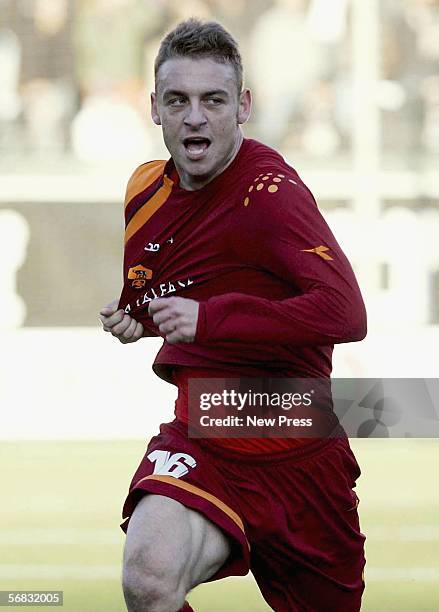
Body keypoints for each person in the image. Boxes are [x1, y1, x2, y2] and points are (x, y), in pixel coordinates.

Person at [99, 19, 367, 612]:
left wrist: (212, 319)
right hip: (206, 440)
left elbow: (347, 312)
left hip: (299, 453)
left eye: (212, 100)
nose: (195, 117)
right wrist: (137, 320)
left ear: (243, 105)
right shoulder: (145, 193)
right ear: (155, 109)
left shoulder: (270, 193)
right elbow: (165, 295)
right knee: (148, 579)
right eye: (178, 100)